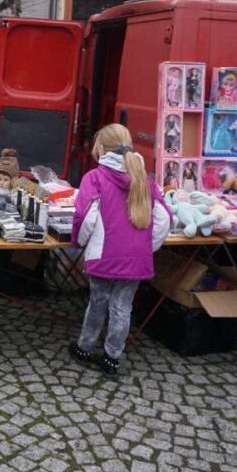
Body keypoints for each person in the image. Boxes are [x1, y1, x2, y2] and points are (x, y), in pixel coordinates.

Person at [69, 124, 171, 377]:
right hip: (135, 259)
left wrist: (80, 242)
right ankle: (112, 357)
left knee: (98, 303)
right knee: (122, 308)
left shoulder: (94, 178)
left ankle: (84, 347)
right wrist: (148, 247)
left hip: (105, 254)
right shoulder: (145, 180)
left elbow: (86, 217)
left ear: (101, 149)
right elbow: (164, 219)